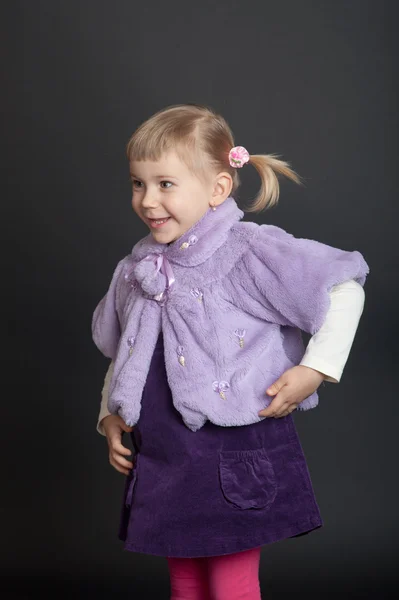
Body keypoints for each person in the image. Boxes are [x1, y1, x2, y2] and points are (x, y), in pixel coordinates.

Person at [91, 103, 369, 600]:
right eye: (138, 183)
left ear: (218, 188)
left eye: (166, 184)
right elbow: (128, 351)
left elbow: (343, 287)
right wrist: (110, 416)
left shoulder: (247, 250)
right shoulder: (139, 268)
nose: (148, 200)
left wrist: (315, 368)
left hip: (232, 455)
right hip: (164, 454)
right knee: (185, 581)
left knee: (230, 583)